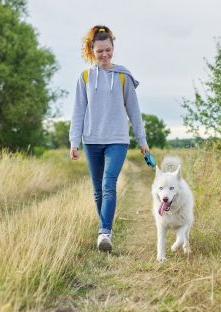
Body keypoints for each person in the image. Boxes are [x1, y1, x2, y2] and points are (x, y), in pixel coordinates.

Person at [69, 25, 149, 252]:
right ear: (91, 51)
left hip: (117, 139)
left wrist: (142, 141)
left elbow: (134, 112)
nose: (104, 55)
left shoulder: (124, 77)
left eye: (108, 50)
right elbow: (78, 111)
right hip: (92, 140)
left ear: (113, 48)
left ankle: (104, 232)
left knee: (108, 185)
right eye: (99, 51)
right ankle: (104, 230)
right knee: (97, 190)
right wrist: (74, 141)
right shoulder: (85, 77)